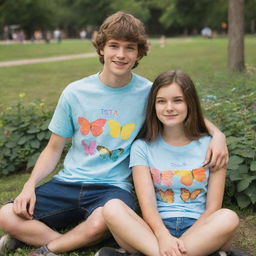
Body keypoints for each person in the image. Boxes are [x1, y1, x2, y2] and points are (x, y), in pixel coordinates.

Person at [0, 12, 227, 256]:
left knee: (101, 220)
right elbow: (54, 147)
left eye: (129, 48)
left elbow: (184, 108)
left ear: (139, 53)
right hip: (69, 182)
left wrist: (218, 136)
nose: (121, 55)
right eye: (114, 46)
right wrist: (29, 185)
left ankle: (40, 242)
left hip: (112, 188)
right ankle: (67, 240)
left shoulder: (148, 92)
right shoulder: (74, 92)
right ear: (101, 49)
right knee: (6, 214)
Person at [96, 70, 239, 256]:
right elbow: (148, 206)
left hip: (199, 228)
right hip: (154, 231)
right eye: (161, 101)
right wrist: (163, 237)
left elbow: (213, 207)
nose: (169, 107)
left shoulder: (212, 146)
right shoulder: (142, 147)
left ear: (190, 103)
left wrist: (182, 242)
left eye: (178, 100)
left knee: (228, 217)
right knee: (112, 207)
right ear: (153, 106)